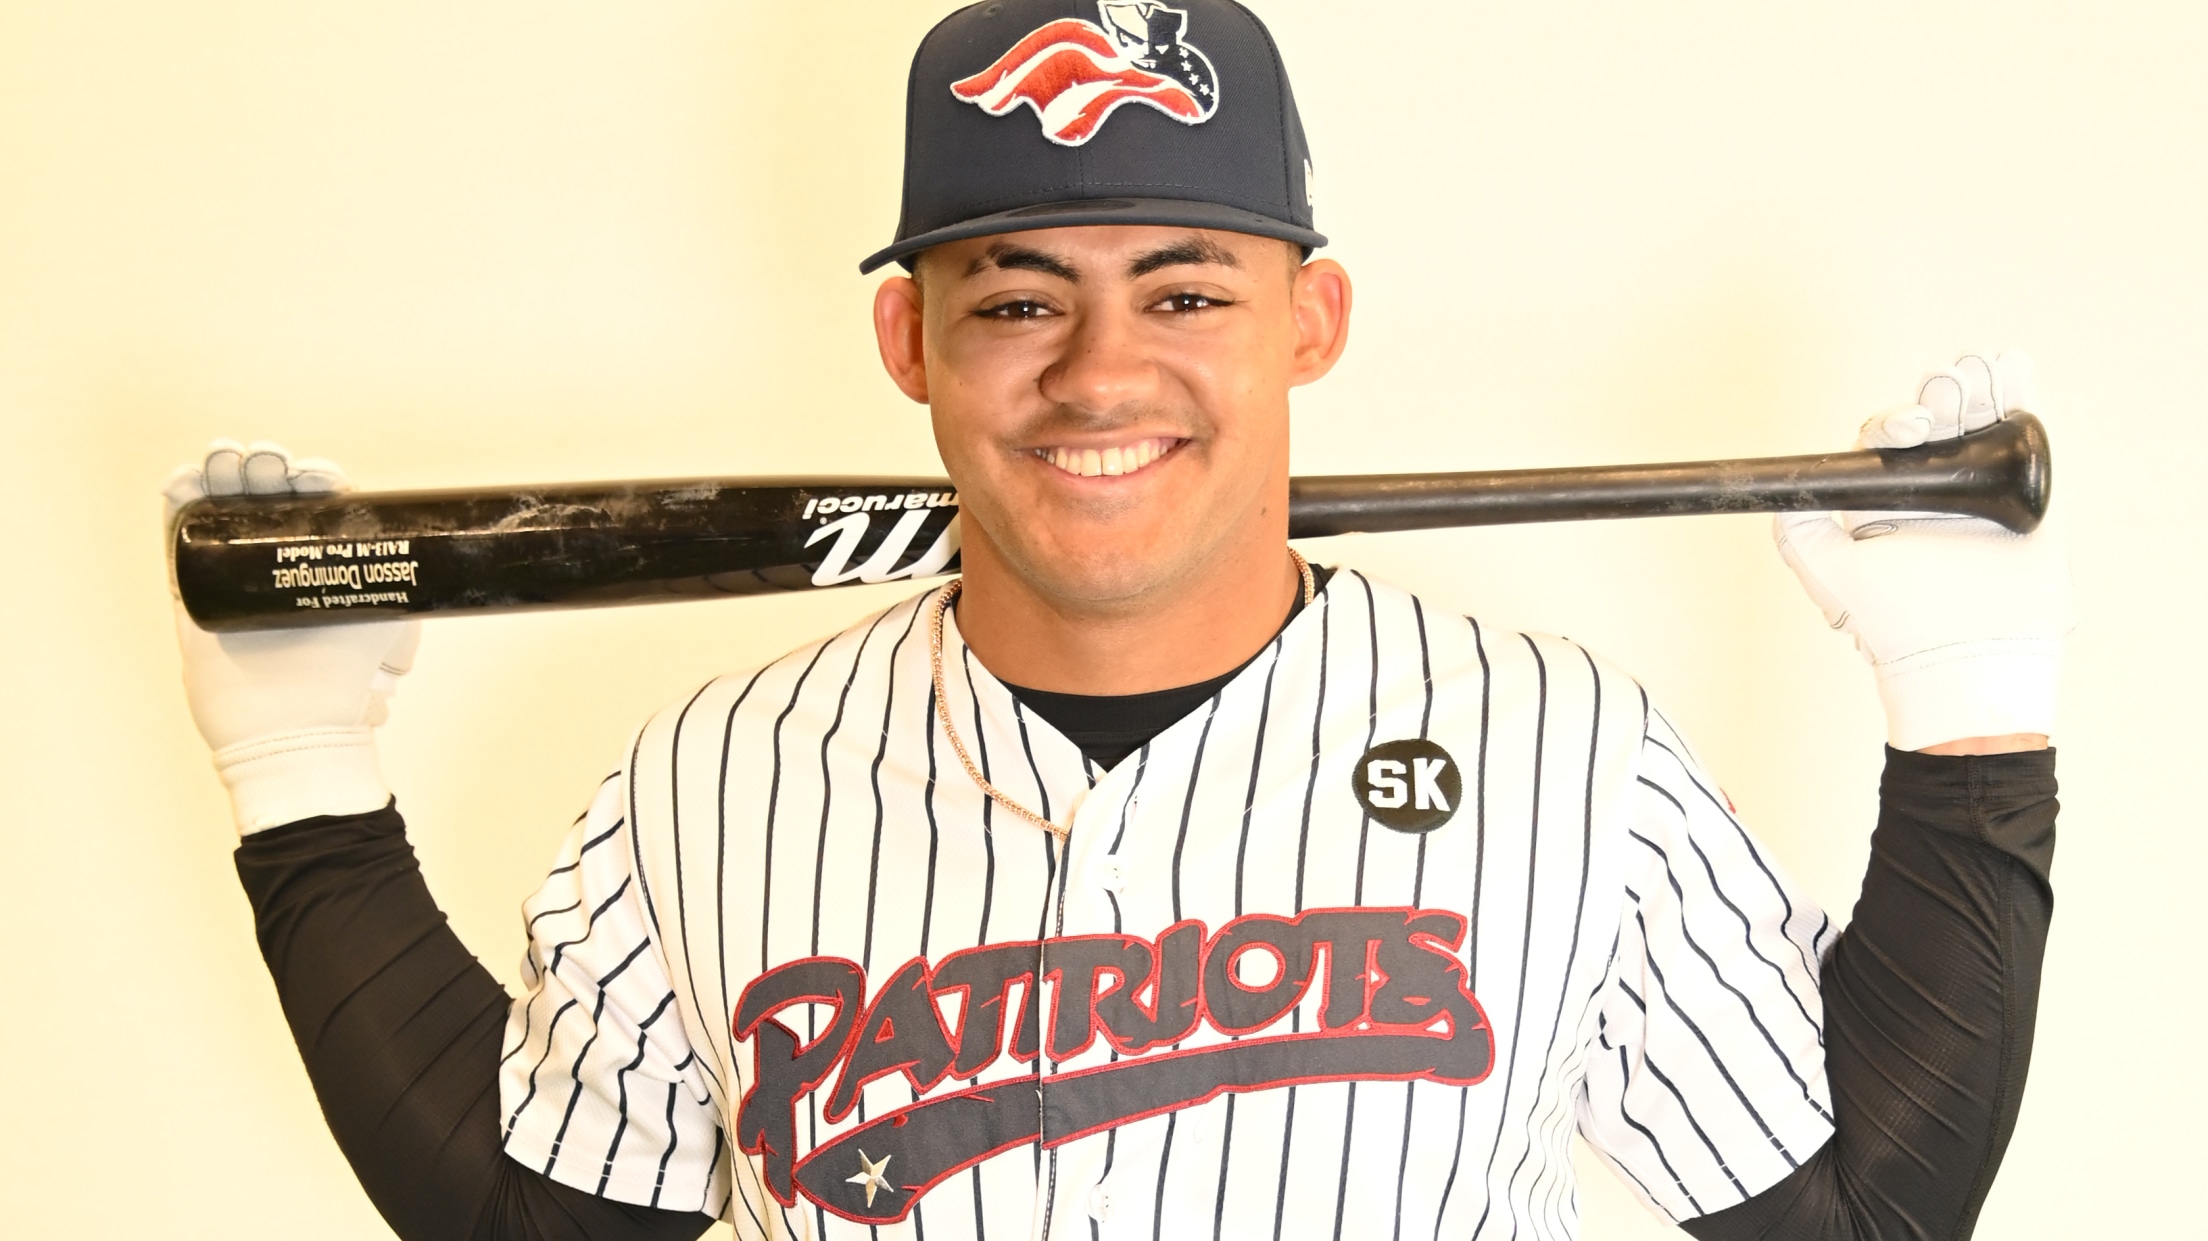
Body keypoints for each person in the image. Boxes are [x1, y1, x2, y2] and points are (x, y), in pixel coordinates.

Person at [164, 2, 2069, 1238]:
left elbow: (1851, 1219)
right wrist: (303, 778)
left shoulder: (1570, 753)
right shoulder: (705, 778)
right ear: (909, 336)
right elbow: (544, 1223)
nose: (1097, 372)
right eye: (1016, 299)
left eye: (1185, 291)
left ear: (1310, 320)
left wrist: (1967, 710)